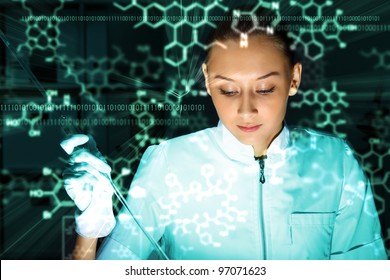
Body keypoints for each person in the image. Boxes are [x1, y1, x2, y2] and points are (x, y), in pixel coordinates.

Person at [61, 8, 388, 260]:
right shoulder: (168, 163)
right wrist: (89, 229)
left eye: (264, 88)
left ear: (294, 78)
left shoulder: (334, 162)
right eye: (228, 90)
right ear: (206, 79)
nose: (246, 111)